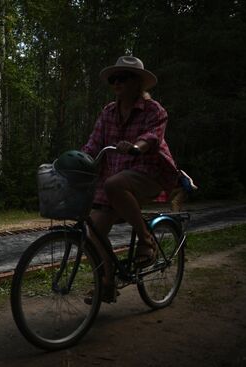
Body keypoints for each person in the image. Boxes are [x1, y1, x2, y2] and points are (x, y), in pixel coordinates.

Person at [81, 56, 179, 302]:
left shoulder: (154, 110)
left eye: (123, 77)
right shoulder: (108, 112)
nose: (117, 82)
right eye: (114, 78)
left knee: (114, 183)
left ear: (138, 83)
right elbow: (93, 144)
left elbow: (152, 136)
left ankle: (147, 241)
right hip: (116, 180)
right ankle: (107, 283)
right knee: (94, 230)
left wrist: (137, 146)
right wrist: (75, 160)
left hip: (149, 173)